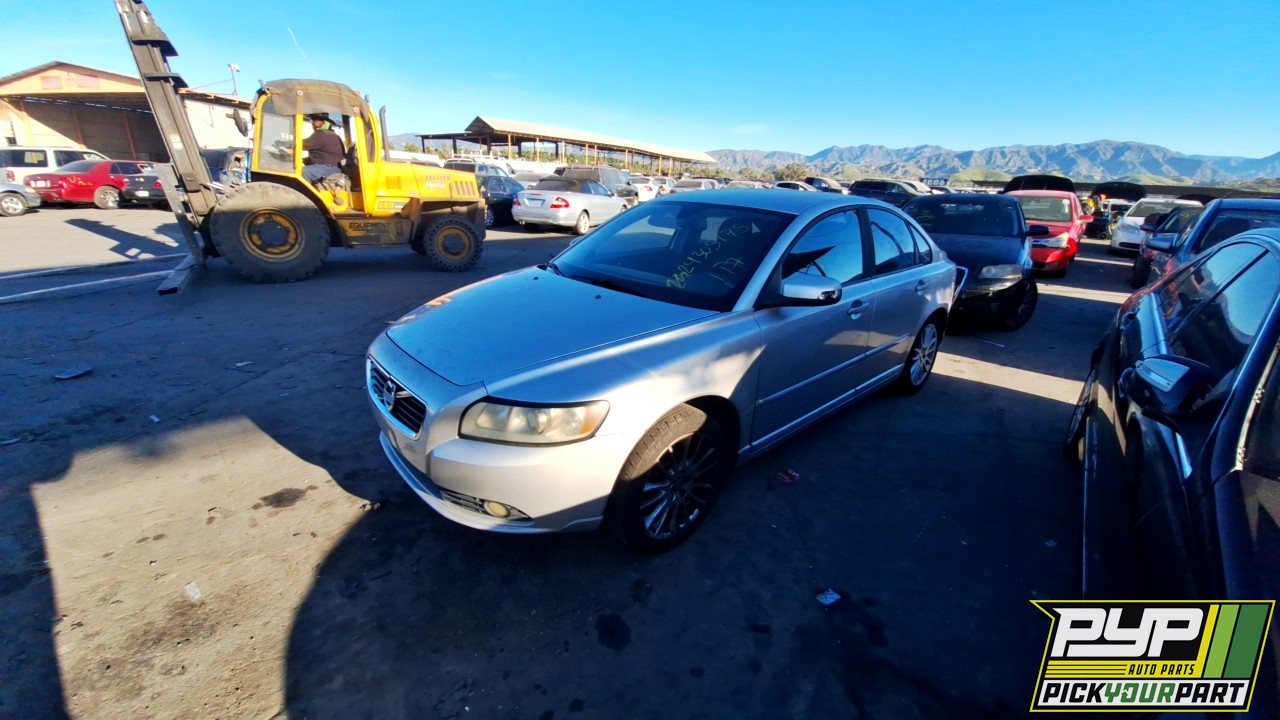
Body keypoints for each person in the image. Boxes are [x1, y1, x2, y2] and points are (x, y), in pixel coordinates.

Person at [301, 113, 344, 183]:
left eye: (315, 120)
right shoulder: (331, 134)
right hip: (333, 167)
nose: (312, 122)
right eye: (313, 120)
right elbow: (320, 155)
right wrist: (302, 160)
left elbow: (302, 144)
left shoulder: (322, 134)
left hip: (331, 168)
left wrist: (287, 143)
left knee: (304, 171)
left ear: (324, 122)